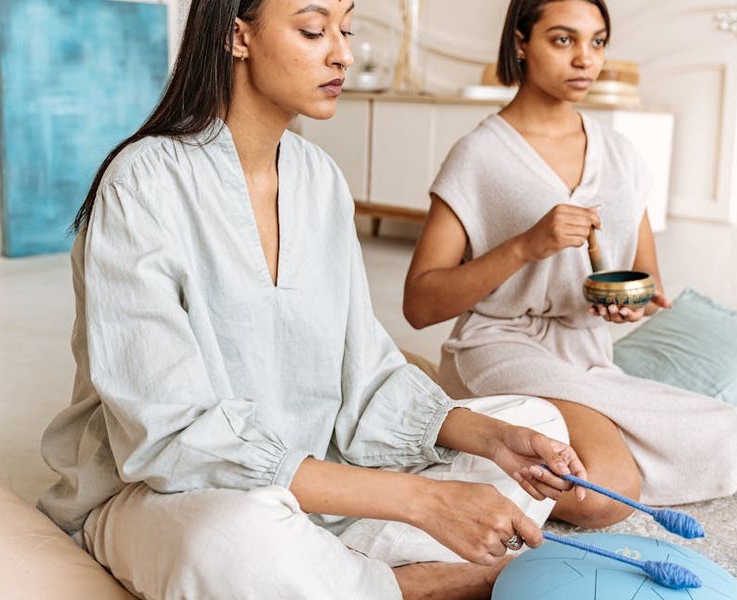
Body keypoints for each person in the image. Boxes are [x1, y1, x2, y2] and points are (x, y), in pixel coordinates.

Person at [37, 1, 590, 599]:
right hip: (168, 493)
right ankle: (413, 587)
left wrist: (487, 437)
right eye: (312, 30)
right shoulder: (141, 183)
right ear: (236, 35)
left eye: (346, 30)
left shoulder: (320, 178)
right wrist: (422, 500)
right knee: (232, 542)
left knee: (534, 423)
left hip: (320, 482)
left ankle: (342, 574)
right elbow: (171, 438)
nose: (342, 53)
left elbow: (367, 375)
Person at [403, 0, 737, 529]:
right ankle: (457, 435)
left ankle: (503, 438)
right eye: (563, 40)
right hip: (500, 347)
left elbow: (647, 282)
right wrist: (524, 246)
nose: (585, 59)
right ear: (521, 43)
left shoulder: (621, 156)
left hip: (588, 357)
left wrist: (633, 307)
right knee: (605, 491)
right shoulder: (479, 154)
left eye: (596, 42)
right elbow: (418, 303)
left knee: (732, 432)